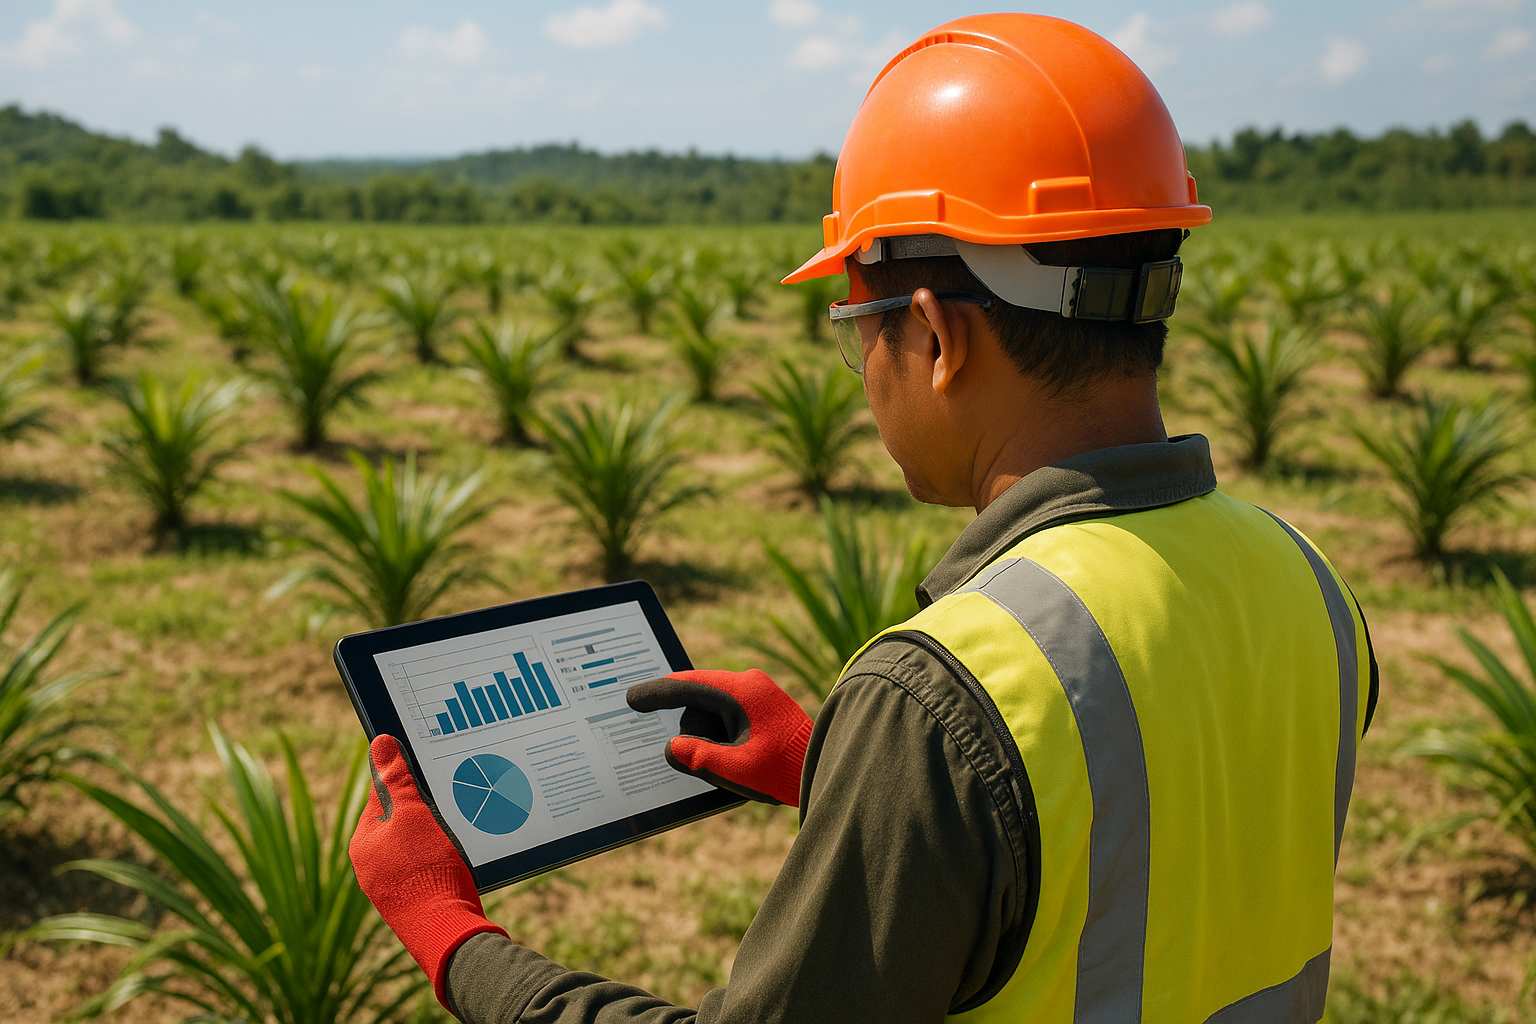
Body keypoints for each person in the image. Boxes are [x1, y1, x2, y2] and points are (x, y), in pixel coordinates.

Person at [348, 13, 1379, 1023]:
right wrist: (845, 781)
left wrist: (450, 934)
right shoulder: (1305, 578)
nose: (865, 374)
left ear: (936, 337)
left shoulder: (947, 693)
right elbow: (1147, 842)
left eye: (860, 331)